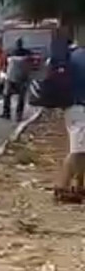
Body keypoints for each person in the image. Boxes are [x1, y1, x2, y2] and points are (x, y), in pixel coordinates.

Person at [55, 41, 85, 202]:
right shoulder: (81, 57)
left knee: (82, 149)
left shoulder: (74, 55)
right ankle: (62, 187)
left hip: (73, 107)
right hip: (80, 108)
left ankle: (79, 187)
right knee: (78, 151)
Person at [1, 38, 31, 121]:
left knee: (7, 95)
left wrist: (3, 74)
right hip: (22, 78)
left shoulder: (10, 52)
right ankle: (18, 115)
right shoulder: (27, 53)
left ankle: (6, 113)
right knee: (21, 98)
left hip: (11, 77)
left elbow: (5, 65)